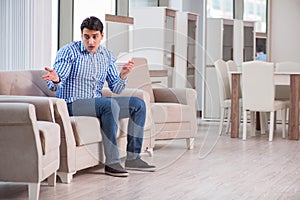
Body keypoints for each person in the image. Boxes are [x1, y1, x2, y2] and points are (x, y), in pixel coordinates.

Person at [42, 16, 155, 177]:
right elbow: (56, 83)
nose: (91, 42)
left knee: (138, 104)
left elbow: (116, 87)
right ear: (82, 36)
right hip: (72, 104)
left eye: (95, 37)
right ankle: (112, 163)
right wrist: (56, 78)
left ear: (102, 35)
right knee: (109, 105)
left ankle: (133, 157)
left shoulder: (107, 56)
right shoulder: (69, 52)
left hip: (96, 103)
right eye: (86, 37)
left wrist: (123, 75)